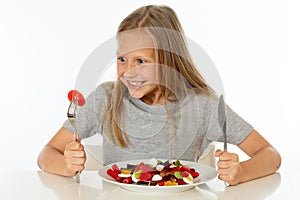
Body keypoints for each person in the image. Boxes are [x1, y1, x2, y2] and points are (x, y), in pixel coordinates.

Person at [37, 5, 281, 186]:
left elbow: (270, 155)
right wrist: (66, 165)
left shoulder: (202, 105)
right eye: (122, 59)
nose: (129, 71)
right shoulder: (105, 99)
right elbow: (47, 154)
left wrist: (242, 173)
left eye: (141, 61)